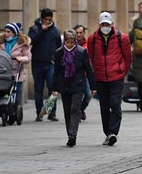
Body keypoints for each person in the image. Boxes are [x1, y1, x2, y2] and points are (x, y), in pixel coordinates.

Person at [87, 11, 132, 146]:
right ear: (99, 25)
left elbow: (128, 57)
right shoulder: (92, 39)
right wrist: (96, 74)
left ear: (112, 24)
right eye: (103, 24)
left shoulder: (121, 37)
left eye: (107, 24)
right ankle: (108, 133)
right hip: (101, 78)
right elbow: (91, 57)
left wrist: (122, 70)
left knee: (115, 104)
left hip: (116, 77)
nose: (105, 26)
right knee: (104, 106)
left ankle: (113, 132)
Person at [52, 29, 97, 147]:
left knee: (74, 109)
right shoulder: (59, 53)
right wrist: (54, 87)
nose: (70, 45)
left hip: (78, 84)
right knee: (67, 110)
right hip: (64, 85)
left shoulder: (81, 52)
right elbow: (56, 71)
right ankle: (69, 134)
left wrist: (93, 86)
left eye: (72, 42)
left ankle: (73, 134)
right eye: (68, 42)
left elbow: (89, 69)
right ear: (64, 42)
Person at [28, 8, 62, 122]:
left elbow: (59, 47)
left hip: (50, 64)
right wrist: (41, 31)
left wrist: (57, 60)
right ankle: (39, 113)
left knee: (52, 88)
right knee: (38, 88)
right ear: (41, 19)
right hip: (37, 64)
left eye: (49, 19)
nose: (47, 22)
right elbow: (31, 41)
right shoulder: (34, 29)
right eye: (45, 19)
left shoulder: (55, 30)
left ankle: (51, 113)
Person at [0, 22, 32, 104]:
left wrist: (21, 58)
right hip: (1, 72)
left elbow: (28, 57)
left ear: (14, 33)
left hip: (16, 73)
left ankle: (14, 110)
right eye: (5, 31)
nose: (6, 34)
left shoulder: (22, 44)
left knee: (15, 96)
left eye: (8, 32)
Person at [74, 24, 91, 120]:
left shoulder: (89, 44)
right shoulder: (71, 43)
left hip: (85, 74)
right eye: (77, 33)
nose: (78, 35)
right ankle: (77, 112)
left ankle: (80, 109)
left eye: (80, 32)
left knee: (88, 95)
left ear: (84, 33)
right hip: (75, 74)